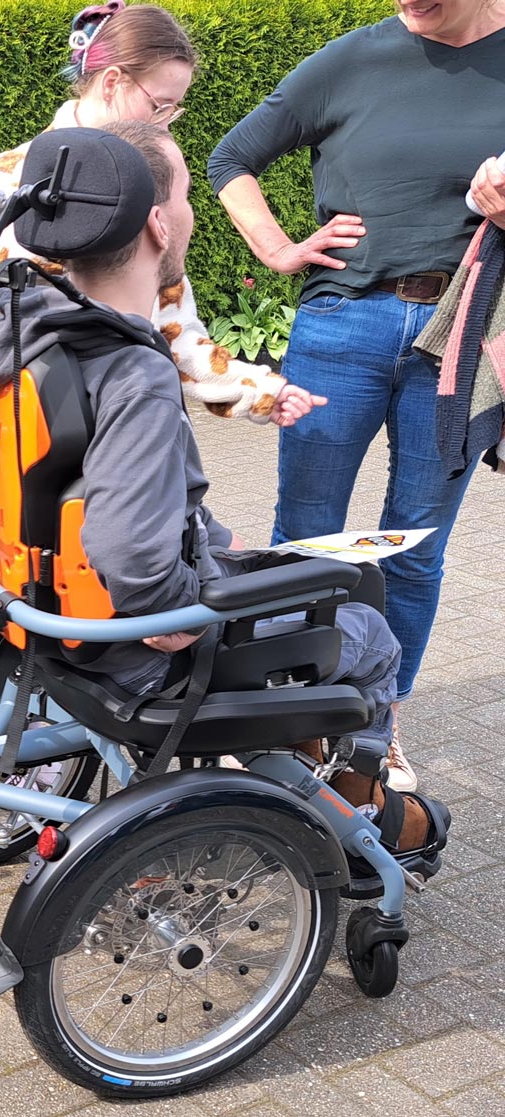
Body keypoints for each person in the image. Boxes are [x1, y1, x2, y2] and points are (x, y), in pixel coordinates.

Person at [0, 121, 447, 859]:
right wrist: (181, 610)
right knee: (367, 626)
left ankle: (298, 762)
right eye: (190, 195)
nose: (193, 211)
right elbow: (130, 555)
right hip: (140, 650)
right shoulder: (133, 373)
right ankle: (371, 826)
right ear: (158, 223)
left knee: (337, 576)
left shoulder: (26, 330)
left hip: (49, 616)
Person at [208, 0, 505, 793]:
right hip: (343, 325)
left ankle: (378, 726)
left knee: (417, 547)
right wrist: (279, 248)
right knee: (306, 535)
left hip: (463, 336)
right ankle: (288, 710)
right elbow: (230, 158)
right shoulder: (351, 59)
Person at [0, 2, 325, 427]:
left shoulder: (145, 175)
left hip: (125, 414)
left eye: (173, 110)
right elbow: (10, 321)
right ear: (111, 83)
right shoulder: (18, 175)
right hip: (28, 425)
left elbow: (173, 326)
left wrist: (263, 391)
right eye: (159, 105)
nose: (164, 126)